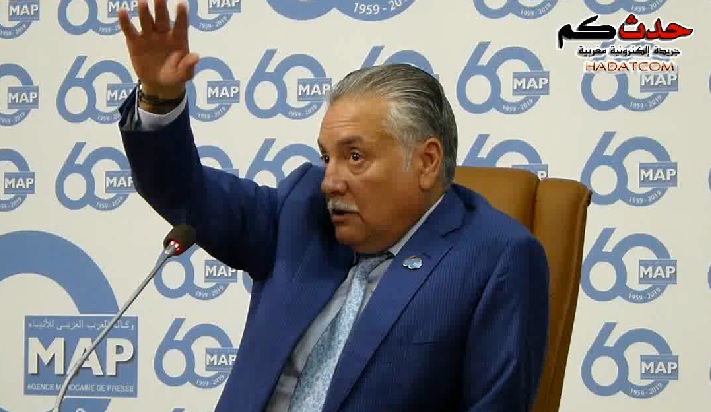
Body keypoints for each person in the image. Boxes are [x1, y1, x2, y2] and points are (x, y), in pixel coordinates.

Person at [116, 1, 550, 411]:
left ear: (426, 161)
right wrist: (160, 97)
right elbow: (181, 191)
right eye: (327, 157)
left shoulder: (495, 258)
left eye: (355, 156)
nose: (330, 181)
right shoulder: (301, 209)